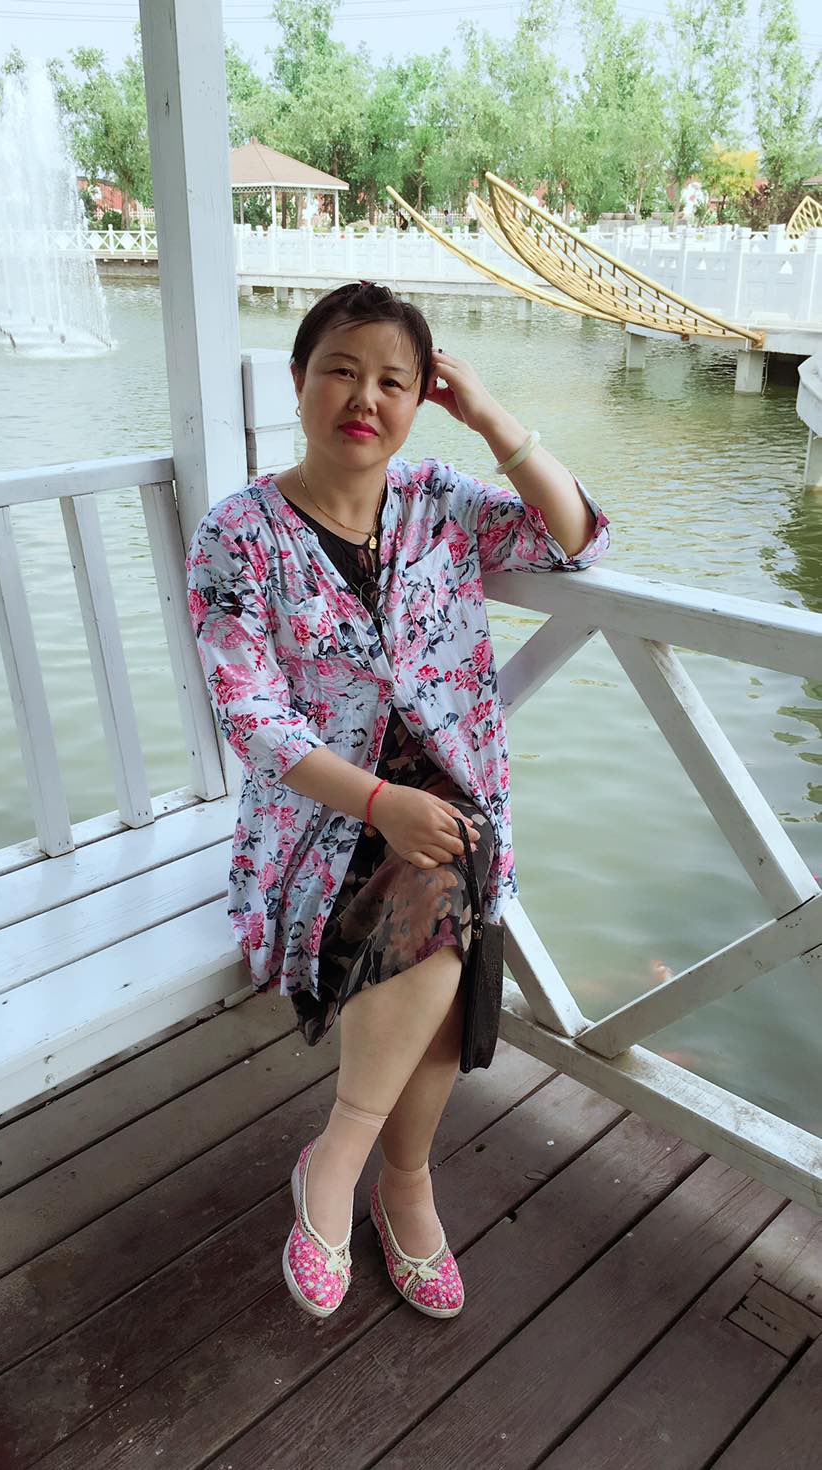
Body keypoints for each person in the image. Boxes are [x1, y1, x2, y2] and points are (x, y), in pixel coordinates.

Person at [186, 281, 610, 1322]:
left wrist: (493, 418)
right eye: (340, 370)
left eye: (394, 381)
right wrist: (381, 803)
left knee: (445, 877)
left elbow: (576, 538)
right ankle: (397, 1181)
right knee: (448, 901)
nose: (364, 398)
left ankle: (342, 1160)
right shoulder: (238, 534)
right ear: (298, 380)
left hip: (453, 810)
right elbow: (252, 715)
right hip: (317, 826)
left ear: (424, 398)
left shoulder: (439, 502)